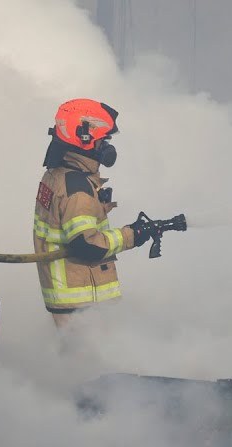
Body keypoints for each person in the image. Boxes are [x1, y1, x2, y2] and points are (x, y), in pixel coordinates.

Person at [33, 98, 154, 330]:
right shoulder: (77, 189)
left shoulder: (57, 174)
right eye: (104, 139)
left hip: (69, 296)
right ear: (85, 139)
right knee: (89, 365)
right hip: (82, 301)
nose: (107, 146)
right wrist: (131, 235)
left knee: (75, 362)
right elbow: (86, 245)